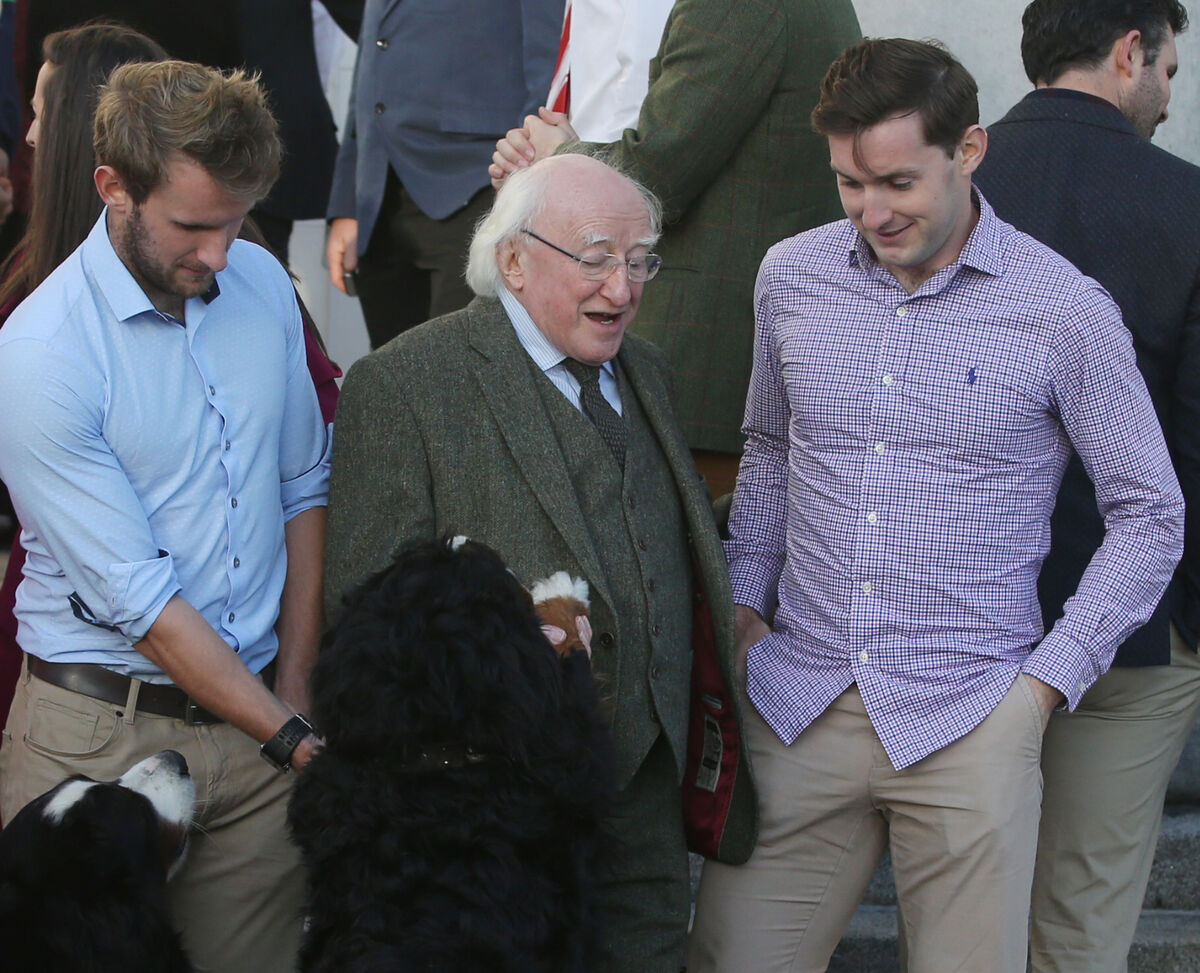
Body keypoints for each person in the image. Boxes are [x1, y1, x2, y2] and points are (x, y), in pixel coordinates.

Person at [687, 38, 1185, 973]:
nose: (872, 212)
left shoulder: (1062, 306)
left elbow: (1149, 511)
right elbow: (770, 450)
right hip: (800, 701)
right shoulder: (789, 276)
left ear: (970, 151)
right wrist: (746, 607)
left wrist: (1043, 687)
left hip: (973, 718)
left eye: (899, 183)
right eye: (848, 184)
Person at [324, 152, 756, 973]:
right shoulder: (406, 382)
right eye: (595, 258)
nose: (622, 290)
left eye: (640, 262)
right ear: (514, 259)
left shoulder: (650, 369)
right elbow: (366, 620)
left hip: (646, 795)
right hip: (492, 827)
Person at [0, 60, 330, 973]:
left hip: (264, 731)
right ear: (113, 187)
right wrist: (294, 735)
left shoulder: (260, 280)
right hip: (99, 741)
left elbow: (304, 483)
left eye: (232, 222)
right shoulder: (40, 353)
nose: (220, 255)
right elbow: (138, 602)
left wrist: (294, 687)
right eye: (192, 225)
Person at [972, 2, 1200, 969]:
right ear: (1128, 53)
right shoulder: (1187, 203)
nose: (1166, 93)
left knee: (961, 912)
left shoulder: (933, 187)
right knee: (1083, 921)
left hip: (965, 617)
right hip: (1134, 630)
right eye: (1168, 68)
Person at [489, 0, 861, 496]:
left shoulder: (733, 8)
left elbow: (655, 175)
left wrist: (558, 157)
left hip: (706, 360)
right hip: (748, 353)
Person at [0, 21, 167, 742]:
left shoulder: (235, 277)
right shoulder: (32, 289)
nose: (29, 136)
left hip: (104, 661)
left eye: (42, 111)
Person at [324, 0, 560, 349]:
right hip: (380, 199)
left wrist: (524, 183)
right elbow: (371, 56)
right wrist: (348, 204)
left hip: (481, 188)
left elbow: (550, 64)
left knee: (461, 376)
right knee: (394, 381)